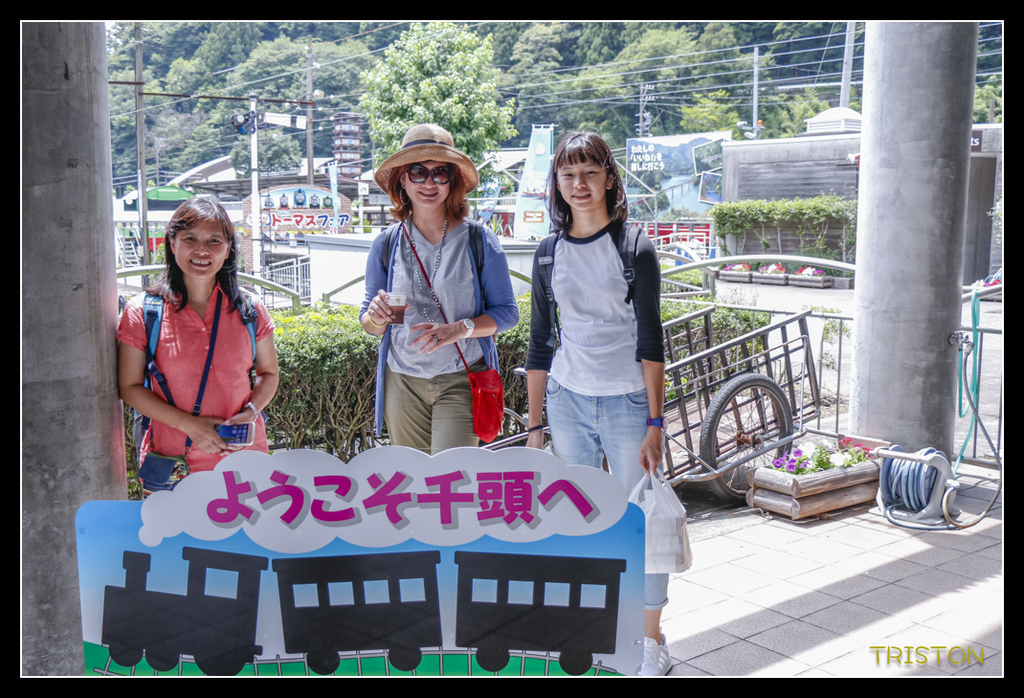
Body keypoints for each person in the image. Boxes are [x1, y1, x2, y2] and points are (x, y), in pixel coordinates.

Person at [524, 132, 672, 676]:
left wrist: (656, 421)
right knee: (577, 519)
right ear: (556, 184)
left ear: (610, 178)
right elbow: (541, 343)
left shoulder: (634, 246)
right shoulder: (547, 253)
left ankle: (650, 639)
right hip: (566, 398)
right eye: (568, 175)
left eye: (589, 172)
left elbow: (651, 339)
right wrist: (535, 425)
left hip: (628, 402)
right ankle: (590, 628)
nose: (578, 184)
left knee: (644, 521)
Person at [361, 124, 519, 454]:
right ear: (402, 180)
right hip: (402, 381)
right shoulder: (387, 244)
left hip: (462, 377)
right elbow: (373, 325)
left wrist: (459, 329)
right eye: (417, 172)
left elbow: (507, 313)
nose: (429, 183)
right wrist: (375, 317)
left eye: (440, 173)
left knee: (453, 478)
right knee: (416, 485)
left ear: (453, 180)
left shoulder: (479, 240)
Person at [118, 195, 279, 493]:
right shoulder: (144, 311)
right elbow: (130, 388)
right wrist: (191, 427)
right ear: (172, 243)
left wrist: (252, 411)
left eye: (215, 241)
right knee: (176, 541)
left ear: (229, 248)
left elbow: (269, 374)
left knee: (245, 540)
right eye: (190, 238)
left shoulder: (250, 308)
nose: (202, 250)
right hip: (174, 463)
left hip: (244, 461)